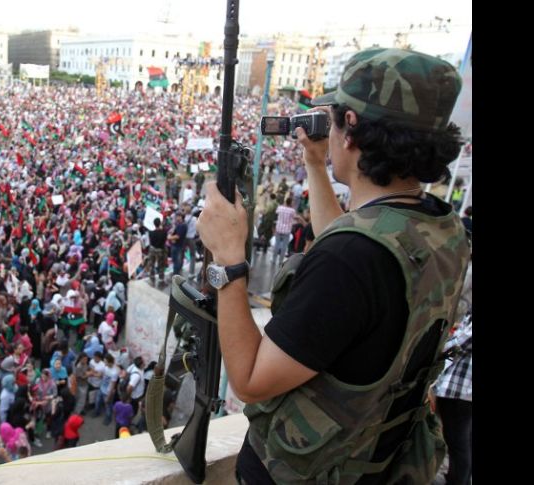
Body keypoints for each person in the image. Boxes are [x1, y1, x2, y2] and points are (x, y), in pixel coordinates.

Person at [196, 48, 470, 484]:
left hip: (309, 472)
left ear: (351, 130)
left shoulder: (350, 262)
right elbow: (351, 253)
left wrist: (229, 261)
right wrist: (314, 164)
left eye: (337, 116)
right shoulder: (441, 224)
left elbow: (248, 379)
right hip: (378, 456)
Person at [430, 313, 472, 485]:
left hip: (460, 390)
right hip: (460, 389)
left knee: (457, 440)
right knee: (464, 439)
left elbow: (461, 342)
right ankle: (460, 478)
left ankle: (458, 480)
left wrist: (441, 342)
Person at [144, 218, 168, 287]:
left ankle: (152, 278)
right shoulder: (164, 232)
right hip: (161, 250)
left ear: (154, 224)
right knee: (161, 265)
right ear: (160, 223)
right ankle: (161, 279)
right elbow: (165, 239)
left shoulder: (151, 233)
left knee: (152, 264)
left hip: (152, 250)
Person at [168, 212, 188, 276]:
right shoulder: (178, 224)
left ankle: (175, 273)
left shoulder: (182, 225)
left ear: (181, 217)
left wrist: (170, 237)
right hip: (177, 245)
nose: (176, 218)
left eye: (177, 216)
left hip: (178, 246)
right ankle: (176, 272)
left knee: (176, 260)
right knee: (176, 260)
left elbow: (178, 236)